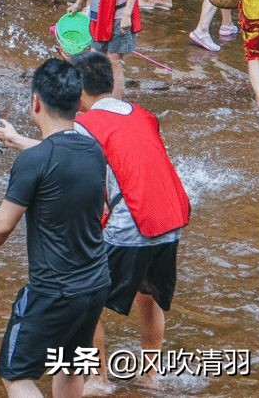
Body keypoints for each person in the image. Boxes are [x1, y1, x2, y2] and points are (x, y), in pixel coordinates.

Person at [0, 59, 109, 398]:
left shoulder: (33, 162)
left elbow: (2, 225)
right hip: (94, 283)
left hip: (52, 290)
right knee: (70, 363)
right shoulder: (94, 150)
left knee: (15, 374)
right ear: (78, 103)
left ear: (35, 103)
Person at [66, 52, 190, 396]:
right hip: (167, 221)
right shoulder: (144, 115)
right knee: (149, 298)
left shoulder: (83, 126)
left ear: (78, 92)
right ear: (110, 81)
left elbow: (68, 170)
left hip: (129, 227)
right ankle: (150, 377)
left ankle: (98, 379)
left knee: (83, 298)